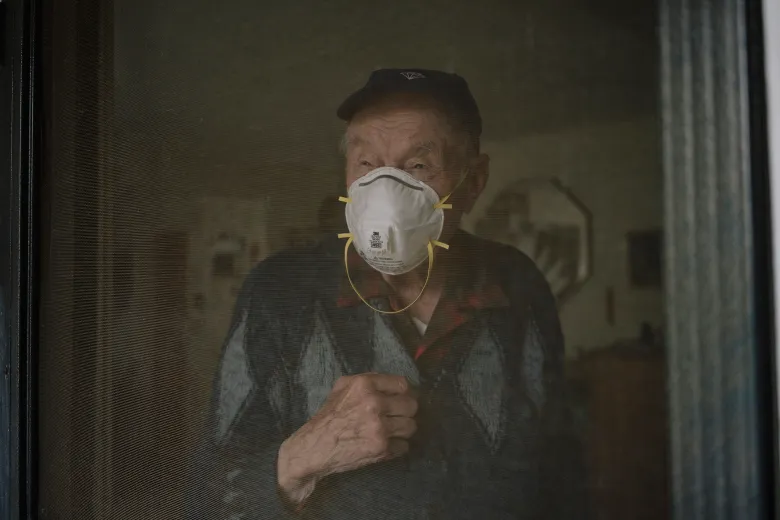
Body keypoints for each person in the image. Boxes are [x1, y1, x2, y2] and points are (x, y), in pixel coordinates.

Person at [186, 69, 585, 519]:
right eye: (367, 165)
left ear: (474, 181)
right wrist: (302, 459)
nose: (387, 193)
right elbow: (206, 498)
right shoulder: (279, 290)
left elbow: (560, 463)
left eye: (417, 166)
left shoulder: (517, 281)